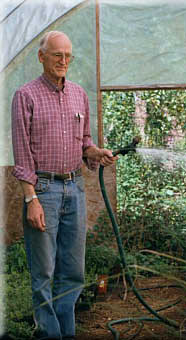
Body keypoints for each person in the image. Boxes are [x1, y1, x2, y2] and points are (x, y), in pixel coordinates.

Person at [11, 31, 117, 340]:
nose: (64, 60)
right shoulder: (25, 95)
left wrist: (95, 151)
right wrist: (31, 198)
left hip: (75, 188)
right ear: (42, 56)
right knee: (43, 272)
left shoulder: (79, 94)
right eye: (57, 54)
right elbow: (22, 152)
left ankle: (66, 333)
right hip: (43, 190)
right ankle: (49, 334)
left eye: (68, 55)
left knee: (72, 271)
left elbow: (83, 141)